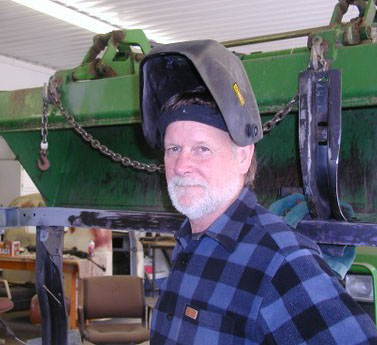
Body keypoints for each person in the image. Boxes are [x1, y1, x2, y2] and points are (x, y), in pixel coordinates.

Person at [139, 40, 377, 344]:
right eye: (174, 148)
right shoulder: (190, 243)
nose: (182, 165)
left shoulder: (283, 261)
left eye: (202, 149)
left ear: (243, 156)